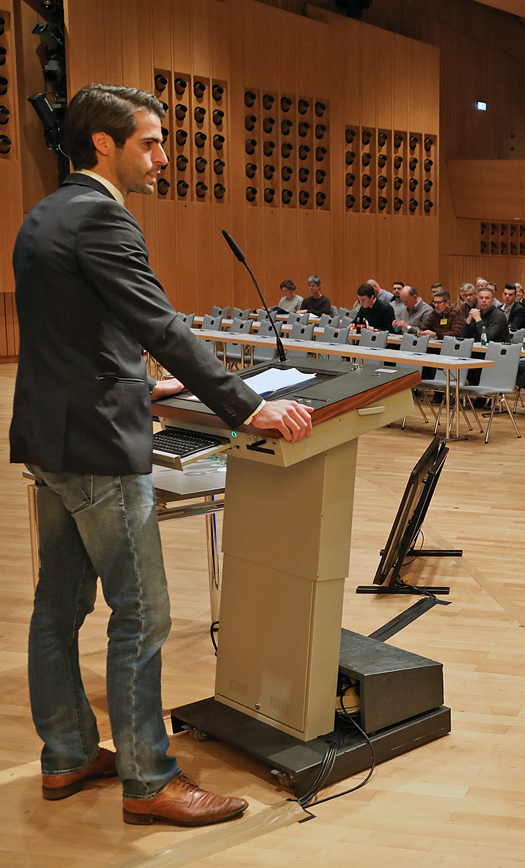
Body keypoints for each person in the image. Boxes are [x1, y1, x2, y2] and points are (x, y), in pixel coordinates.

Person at [11, 84, 314, 825]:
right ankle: (149, 779)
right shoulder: (103, 219)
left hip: (52, 435)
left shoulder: (44, 214)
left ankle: (68, 754)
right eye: (150, 142)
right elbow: (162, 323)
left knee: (57, 606)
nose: (164, 157)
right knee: (142, 613)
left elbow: (77, 335)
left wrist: (139, 384)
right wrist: (249, 405)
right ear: (105, 145)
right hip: (98, 448)